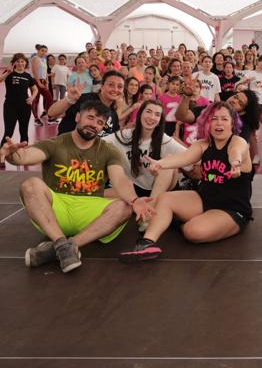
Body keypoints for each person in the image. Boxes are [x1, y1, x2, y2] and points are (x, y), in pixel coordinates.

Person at [1, 99, 154, 272]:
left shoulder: (108, 150)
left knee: (125, 206)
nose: (94, 125)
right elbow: (26, 156)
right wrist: (13, 155)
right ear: (77, 117)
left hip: (90, 213)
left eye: (100, 122)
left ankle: (63, 246)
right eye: (90, 118)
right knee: (30, 184)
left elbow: (119, 179)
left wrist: (134, 200)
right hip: (56, 210)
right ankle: (61, 242)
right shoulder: (56, 143)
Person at [119, 101, 254, 262]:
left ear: (233, 123)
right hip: (203, 199)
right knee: (166, 198)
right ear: (207, 122)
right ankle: (147, 243)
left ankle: (179, 222)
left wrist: (236, 163)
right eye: (214, 118)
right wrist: (159, 163)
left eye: (224, 119)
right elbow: (183, 158)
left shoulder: (237, 142)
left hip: (231, 209)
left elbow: (236, 152)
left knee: (192, 231)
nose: (219, 123)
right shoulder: (202, 145)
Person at [103, 100, 190, 231]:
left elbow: (189, 157)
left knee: (169, 161)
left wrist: (162, 163)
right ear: (140, 114)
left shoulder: (165, 140)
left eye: (157, 114)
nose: (152, 117)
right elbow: (98, 144)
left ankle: (148, 214)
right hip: (133, 190)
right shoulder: (125, 136)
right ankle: (139, 207)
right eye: (148, 112)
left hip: (158, 189)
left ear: (160, 120)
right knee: (96, 194)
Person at [50, 70, 124, 137]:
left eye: (120, 87)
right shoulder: (86, 100)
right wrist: (69, 99)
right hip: (67, 147)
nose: (115, 89)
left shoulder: (113, 114)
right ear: (102, 86)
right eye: (111, 85)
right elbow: (52, 113)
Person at [0, 54, 37, 154]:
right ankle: (1, 154)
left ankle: (23, 154)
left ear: (25, 63)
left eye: (22, 61)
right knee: (8, 131)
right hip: (10, 106)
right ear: (14, 63)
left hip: (25, 107)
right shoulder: (9, 73)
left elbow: (35, 89)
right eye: (18, 61)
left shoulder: (28, 76)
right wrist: (7, 72)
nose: (20, 63)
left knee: (24, 131)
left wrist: (32, 98)